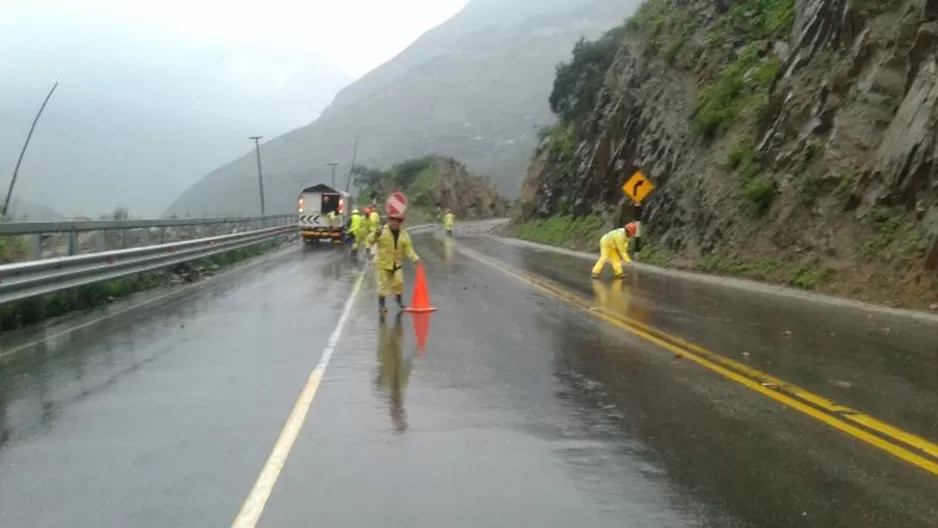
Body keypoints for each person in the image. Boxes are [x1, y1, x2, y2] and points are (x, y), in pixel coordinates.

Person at [367, 210, 420, 313]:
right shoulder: (381, 231)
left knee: (399, 282)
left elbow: (408, 248)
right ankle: (382, 305)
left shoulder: (403, 234)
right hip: (383, 264)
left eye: (397, 221)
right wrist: (375, 234)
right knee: (383, 286)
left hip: (397, 264)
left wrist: (415, 259)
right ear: (389, 221)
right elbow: (369, 240)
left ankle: (399, 300)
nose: (395, 223)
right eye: (393, 220)